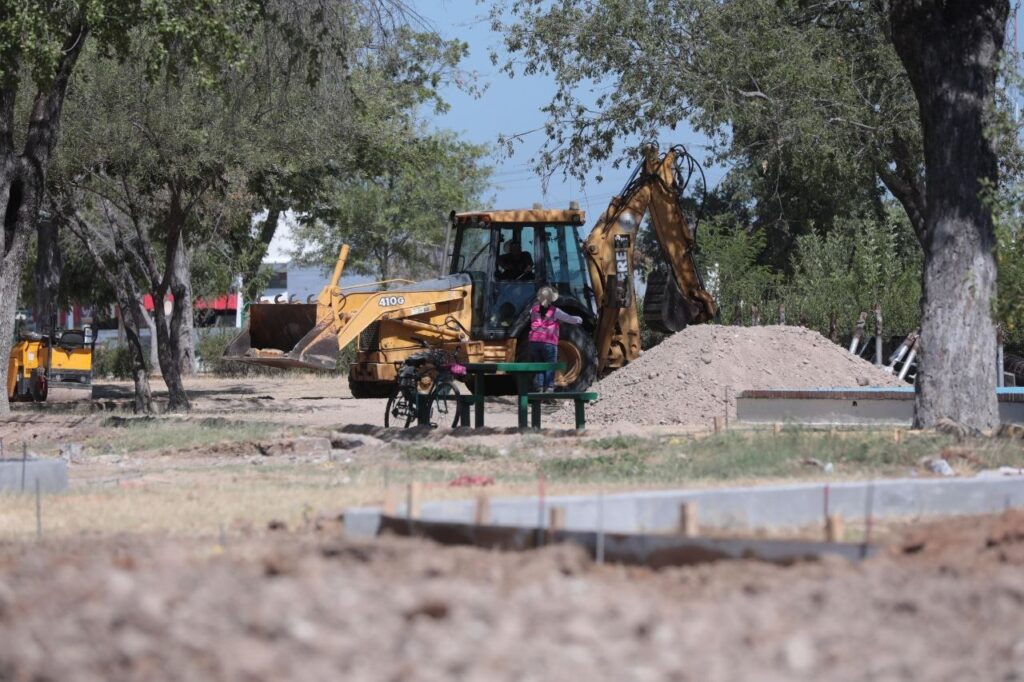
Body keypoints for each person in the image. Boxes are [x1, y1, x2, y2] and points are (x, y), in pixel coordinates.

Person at [528, 285, 582, 393]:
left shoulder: (533, 310)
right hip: (548, 342)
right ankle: (549, 389)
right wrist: (579, 319)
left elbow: (534, 318)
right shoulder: (555, 311)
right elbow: (569, 319)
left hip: (534, 342)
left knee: (539, 365)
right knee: (551, 365)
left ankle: (539, 388)